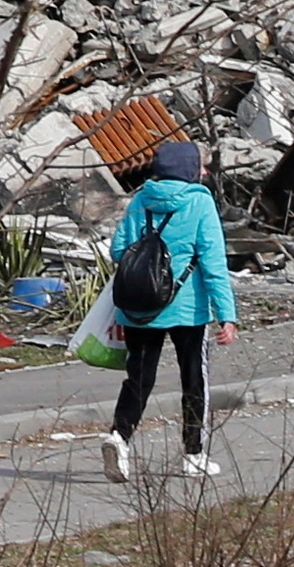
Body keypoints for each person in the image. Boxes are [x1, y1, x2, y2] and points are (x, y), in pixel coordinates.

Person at [97, 135, 237, 482]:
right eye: (200, 165)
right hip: (187, 310)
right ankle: (193, 454)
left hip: (139, 307)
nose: (204, 171)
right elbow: (213, 263)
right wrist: (227, 315)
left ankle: (120, 436)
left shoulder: (141, 199)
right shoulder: (200, 203)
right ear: (188, 170)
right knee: (194, 380)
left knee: (139, 379)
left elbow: (118, 251)